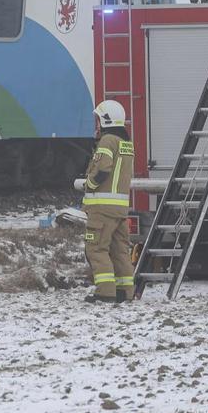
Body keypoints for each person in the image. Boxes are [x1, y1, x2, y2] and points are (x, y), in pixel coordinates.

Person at [77, 100, 135, 303]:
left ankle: (105, 291)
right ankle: (125, 291)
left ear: (106, 120)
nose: (97, 125)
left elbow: (102, 170)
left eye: (98, 120)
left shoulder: (108, 141)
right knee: (120, 251)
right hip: (120, 209)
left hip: (102, 209)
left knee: (96, 248)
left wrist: (88, 185)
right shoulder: (126, 143)